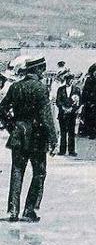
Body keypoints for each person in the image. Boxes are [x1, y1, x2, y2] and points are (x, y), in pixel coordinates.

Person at [0, 56, 57, 222]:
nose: (43, 73)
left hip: (19, 135)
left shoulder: (15, 87)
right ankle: (30, 209)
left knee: (17, 172)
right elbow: (46, 117)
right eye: (42, 69)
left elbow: (1, 109)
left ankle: (12, 210)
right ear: (38, 70)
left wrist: (12, 127)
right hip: (37, 137)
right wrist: (53, 139)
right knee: (39, 173)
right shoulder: (40, 88)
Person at [56, 71, 81, 156]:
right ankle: (62, 150)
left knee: (71, 132)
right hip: (62, 114)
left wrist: (72, 109)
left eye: (71, 79)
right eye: (68, 79)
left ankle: (71, 150)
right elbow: (58, 101)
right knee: (63, 132)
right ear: (66, 80)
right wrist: (63, 108)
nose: (70, 81)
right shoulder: (60, 89)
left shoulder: (76, 89)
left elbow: (78, 102)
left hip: (71, 114)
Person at [81, 64, 96, 140]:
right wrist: (88, 102)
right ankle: (92, 133)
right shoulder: (89, 80)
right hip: (92, 102)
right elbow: (86, 92)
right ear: (93, 71)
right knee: (92, 118)